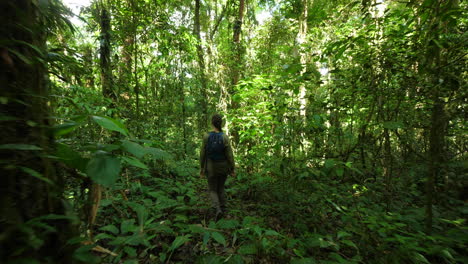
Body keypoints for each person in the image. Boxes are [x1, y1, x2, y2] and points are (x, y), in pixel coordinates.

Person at [200, 114, 235, 219]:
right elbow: (229, 155)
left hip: (211, 167)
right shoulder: (224, 137)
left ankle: (217, 209)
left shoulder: (206, 136)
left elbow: (202, 154)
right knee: (221, 188)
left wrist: (202, 168)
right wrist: (232, 168)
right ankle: (224, 209)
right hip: (223, 166)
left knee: (213, 189)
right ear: (221, 124)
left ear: (212, 123)